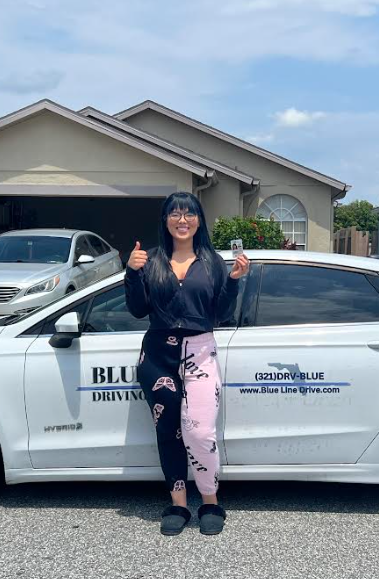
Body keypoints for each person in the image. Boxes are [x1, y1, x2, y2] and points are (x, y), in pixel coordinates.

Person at [124, 191, 250, 536]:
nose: (182, 220)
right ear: (165, 220)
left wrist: (235, 281)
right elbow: (137, 309)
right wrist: (132, 274)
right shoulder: (149, 260)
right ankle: (178, 505)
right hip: (157, 355)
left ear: (199, 220)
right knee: (168, 430)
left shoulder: (212, 262)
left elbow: (222, 314)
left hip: (199, 351)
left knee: (200, 430)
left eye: (189, 214)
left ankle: (210, 502)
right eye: (175, 214)